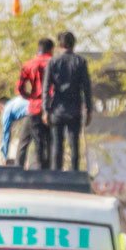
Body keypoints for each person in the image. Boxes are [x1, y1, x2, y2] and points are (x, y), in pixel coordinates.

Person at [42, 31, 92, 172]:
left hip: (57, 109)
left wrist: (45, 110)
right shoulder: (80, 62)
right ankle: (74, 174)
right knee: (74, 144)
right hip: (75, 109)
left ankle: (56, 176)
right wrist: (89, 110)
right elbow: (86, 88)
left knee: (57, 145)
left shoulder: (53, 62)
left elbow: (46, 88)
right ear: (73, 44)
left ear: (60, 45)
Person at [16, 38, 54, 170]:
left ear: (39, 49)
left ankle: (27, 169)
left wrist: (30, 97)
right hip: (51, 108)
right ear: (51, 49)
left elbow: (20, 88)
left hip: (34, 107)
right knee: (50, 141)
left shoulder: (28, 64)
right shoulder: (55, 63)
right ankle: (47, 170)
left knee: (33, 141)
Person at [0, 94, 30, 165]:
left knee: (22, 144)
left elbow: (5, 133)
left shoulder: (6, 110)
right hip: (40, 108)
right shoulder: (16, 101)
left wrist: (5, 155)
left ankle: (18, 167)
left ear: (1, 107)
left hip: (32, 112)